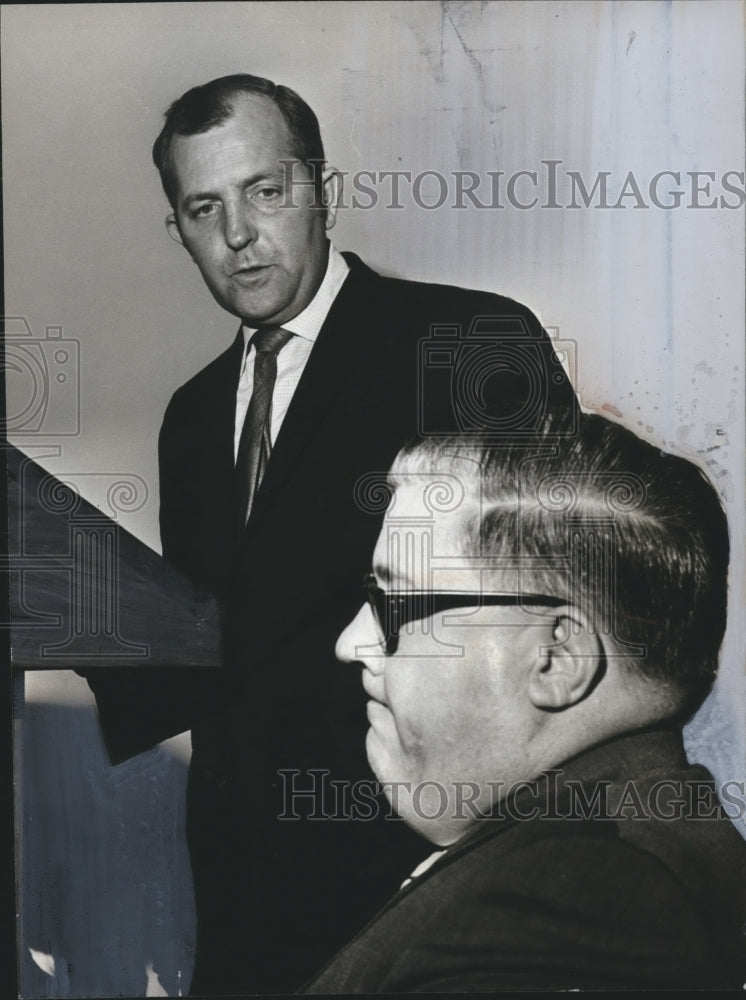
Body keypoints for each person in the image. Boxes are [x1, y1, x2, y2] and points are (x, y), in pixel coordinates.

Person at [83, 73, 577, 994]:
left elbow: (552, 618)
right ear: (179, 231)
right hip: (241, 895)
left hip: (421, 885)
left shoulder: (467, 341)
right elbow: (233, 640)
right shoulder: (190, 419)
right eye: (204, 208)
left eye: (266, 192)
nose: (238, 235)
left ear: (322, 189)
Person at [304, 411, 746, 993]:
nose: (350, 643)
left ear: (556, 661)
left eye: (394, 604)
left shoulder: (573, 901)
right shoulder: (610, 849)